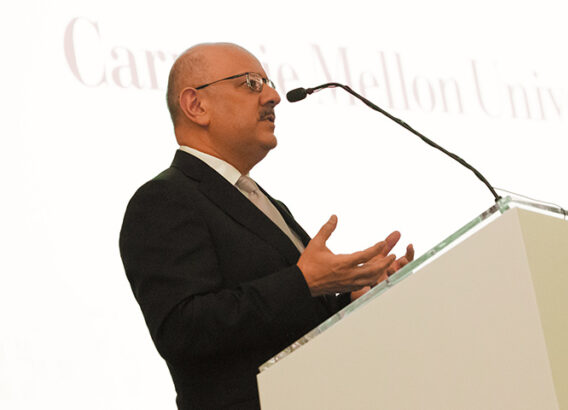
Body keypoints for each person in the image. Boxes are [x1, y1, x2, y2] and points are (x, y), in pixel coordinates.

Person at [119, 42, 414, 410]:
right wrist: (304, 282)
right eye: (251, 83)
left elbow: (290, 322)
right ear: (196, 105)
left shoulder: (262, 201)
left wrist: (355, 298)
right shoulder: (164, 199)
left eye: (268, 83)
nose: (273, 96)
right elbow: (183, 329)